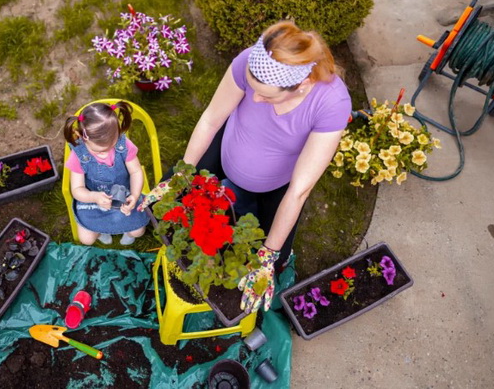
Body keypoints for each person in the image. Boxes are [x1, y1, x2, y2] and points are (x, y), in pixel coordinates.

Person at [141, 21, 352, 314]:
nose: (254, 99)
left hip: (277, 185)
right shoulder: (249, 62)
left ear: (301, 85)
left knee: (272, 255)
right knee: (177, 204)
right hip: (225, 155)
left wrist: (267, 256)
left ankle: (278, 257)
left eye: (266, 95)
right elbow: (211, 120)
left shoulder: (331, 103)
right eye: (252, 89)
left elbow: (299, 191)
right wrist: (179, 175)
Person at [64, 101, 149, 246]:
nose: (105, 154)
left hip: (125, 194)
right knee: (87, 239)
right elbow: (77, 189)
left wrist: (134, 196)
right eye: (98, 151)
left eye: (110, 147)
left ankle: (128, 233)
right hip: (92, 198)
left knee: (138, 231)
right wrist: (93, 196)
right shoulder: (78, 155)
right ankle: (102, 233)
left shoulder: (124, 145)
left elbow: (135, 171)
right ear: (81, 136)